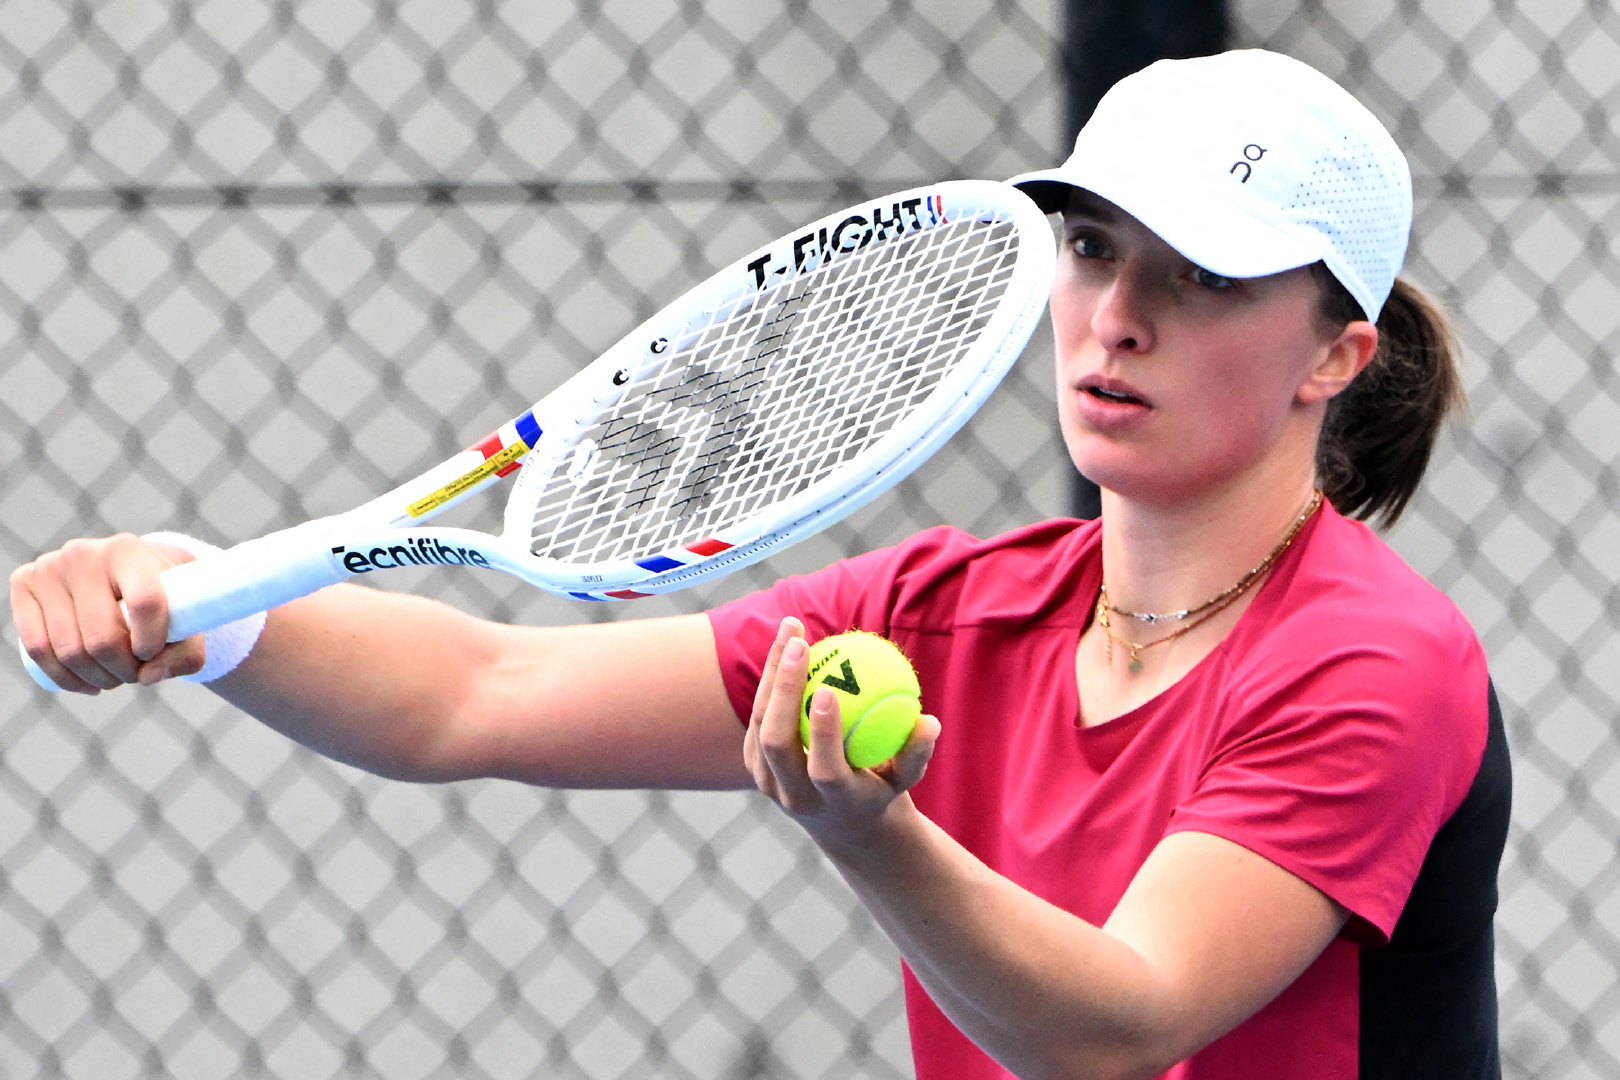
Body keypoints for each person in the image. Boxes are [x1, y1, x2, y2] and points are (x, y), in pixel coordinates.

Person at [11, 49, 1509, 1080]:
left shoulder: (1371, 660)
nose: (1119, 315)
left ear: (1337, 353)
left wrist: (873, 836)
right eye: (1095, 248)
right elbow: (473, 693)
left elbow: (1119, 1030)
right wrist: (195, 602)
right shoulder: (948, 612)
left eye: (1203, 277)